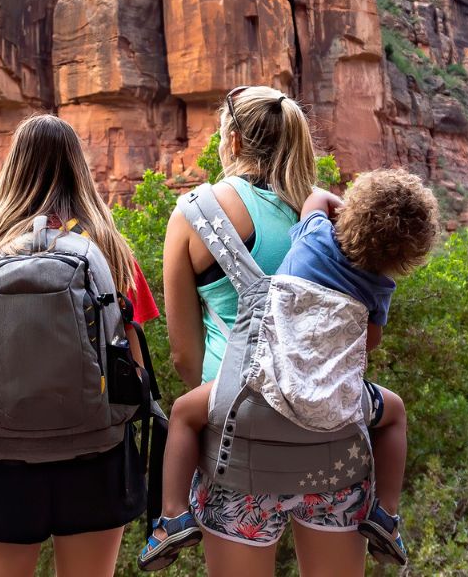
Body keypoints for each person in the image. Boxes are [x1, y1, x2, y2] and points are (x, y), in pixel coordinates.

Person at [141, 168, 437, 571]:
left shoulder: (314, 235)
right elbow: (370, 341)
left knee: (183, 413)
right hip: (335, 406)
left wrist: (340, 207)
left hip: (265, 386)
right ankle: (385, 514)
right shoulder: (379, 286)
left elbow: (315, 199)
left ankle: (172, 516)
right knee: (395, 412)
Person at [157, 85, 378, 576]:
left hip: (239, 443)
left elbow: (183, 356)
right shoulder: (334, 219)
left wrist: (209, 402)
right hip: (333, 440)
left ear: (233, 141)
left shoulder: (194, 214)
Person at [0, 114, 161, 577]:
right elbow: (133, 364)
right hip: (96, 456)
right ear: (78, 168)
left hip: (0, 454)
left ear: (12, 170)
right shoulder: (110, 247)